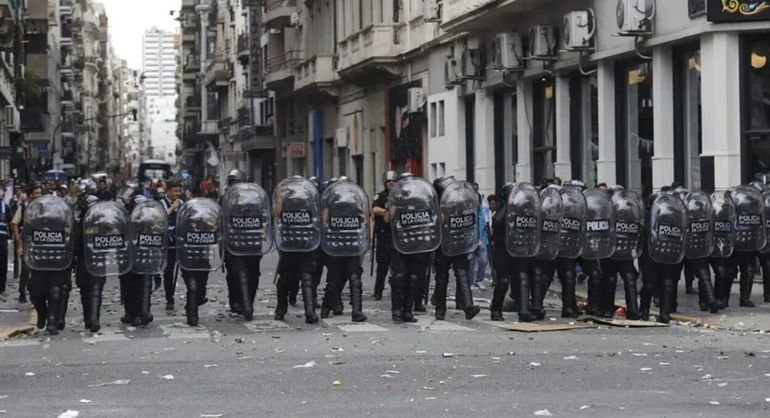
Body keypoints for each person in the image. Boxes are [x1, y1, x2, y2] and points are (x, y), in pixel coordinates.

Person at [371, 171, 398, 301]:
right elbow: (374, 209)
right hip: (384, 234)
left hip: (397, 235)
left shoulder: (401, 196)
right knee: (382, 265)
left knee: (397, 266)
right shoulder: (380, 196)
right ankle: (378, 291)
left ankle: (396, 290)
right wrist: (386, 212)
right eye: (389, 181)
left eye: (393, 181)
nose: (391, 183)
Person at [159, 181, 183, 310]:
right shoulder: (161, 203)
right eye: (175, 191)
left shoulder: (182, 203)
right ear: (168, 191)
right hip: (168, 243)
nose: (177, 194)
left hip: (181, 241)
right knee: (168, 271)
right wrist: (173, 207)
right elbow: (160, 218)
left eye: (179, 191)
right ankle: (170, 298)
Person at [470, 192, 491, 290]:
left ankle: (479, 280)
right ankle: (471, 282)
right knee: (471, 263)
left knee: (483, 261)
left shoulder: (484, 211)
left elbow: (487, 225)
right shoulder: (470, 212)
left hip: (483, 240)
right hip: (472, 241)